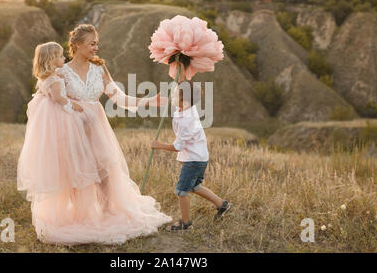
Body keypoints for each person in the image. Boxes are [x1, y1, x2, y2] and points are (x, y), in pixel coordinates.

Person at [17, 25, 171, 245]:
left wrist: (148, 102)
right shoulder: (60, 71)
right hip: (72, 133)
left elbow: (118, 97)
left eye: (97, 43)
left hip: (97, 128)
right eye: (91, 43)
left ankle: (108, 213)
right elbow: (45, 100)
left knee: (107, 167)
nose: (96, 48)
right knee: (81, 176)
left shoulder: (100, 69)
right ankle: (84, 217)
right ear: (77, 45)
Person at [151, 63, 232, 231]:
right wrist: (180, 68)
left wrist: (159, 145)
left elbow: (178, 146)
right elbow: (183, 85)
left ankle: (186, 223)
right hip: (200, 157)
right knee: (194, 186)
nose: (172, 94)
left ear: (184, 100)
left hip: (194, 160)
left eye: (175, 94)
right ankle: (222, 204)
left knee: (181, 191)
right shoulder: (188, 107)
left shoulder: (186, 120)